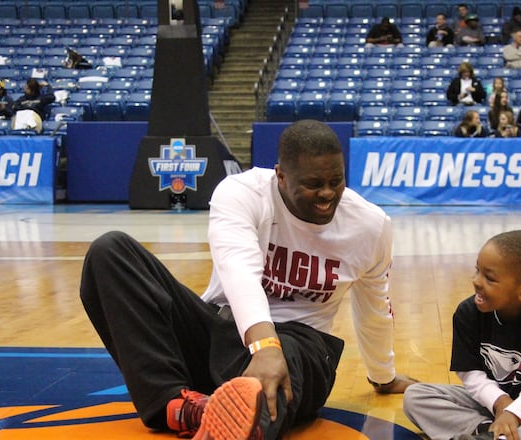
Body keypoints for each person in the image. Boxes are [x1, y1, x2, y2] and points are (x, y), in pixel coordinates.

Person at [79, 120, 419, 440]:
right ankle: (179, 406)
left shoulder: (371, 226)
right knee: (110, 251)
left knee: (288, 354)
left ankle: (245, 424)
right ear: (281, 177)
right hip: (222, 332)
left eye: (336, 181)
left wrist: (383, 376)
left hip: (304, 344)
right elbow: (238, 268)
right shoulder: (241, 193)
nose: (328, 193)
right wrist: (264, 345)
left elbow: (375, 307)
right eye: (314, 184)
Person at [403, 230, 521, 440]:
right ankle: (489, 432)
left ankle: (505, 436)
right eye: (477, 270)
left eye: (489, 278)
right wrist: (500, 403)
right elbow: (470, 373)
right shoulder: (467, 313)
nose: (476, 281)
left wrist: (515, 413)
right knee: (415, 396)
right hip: (491, 404)